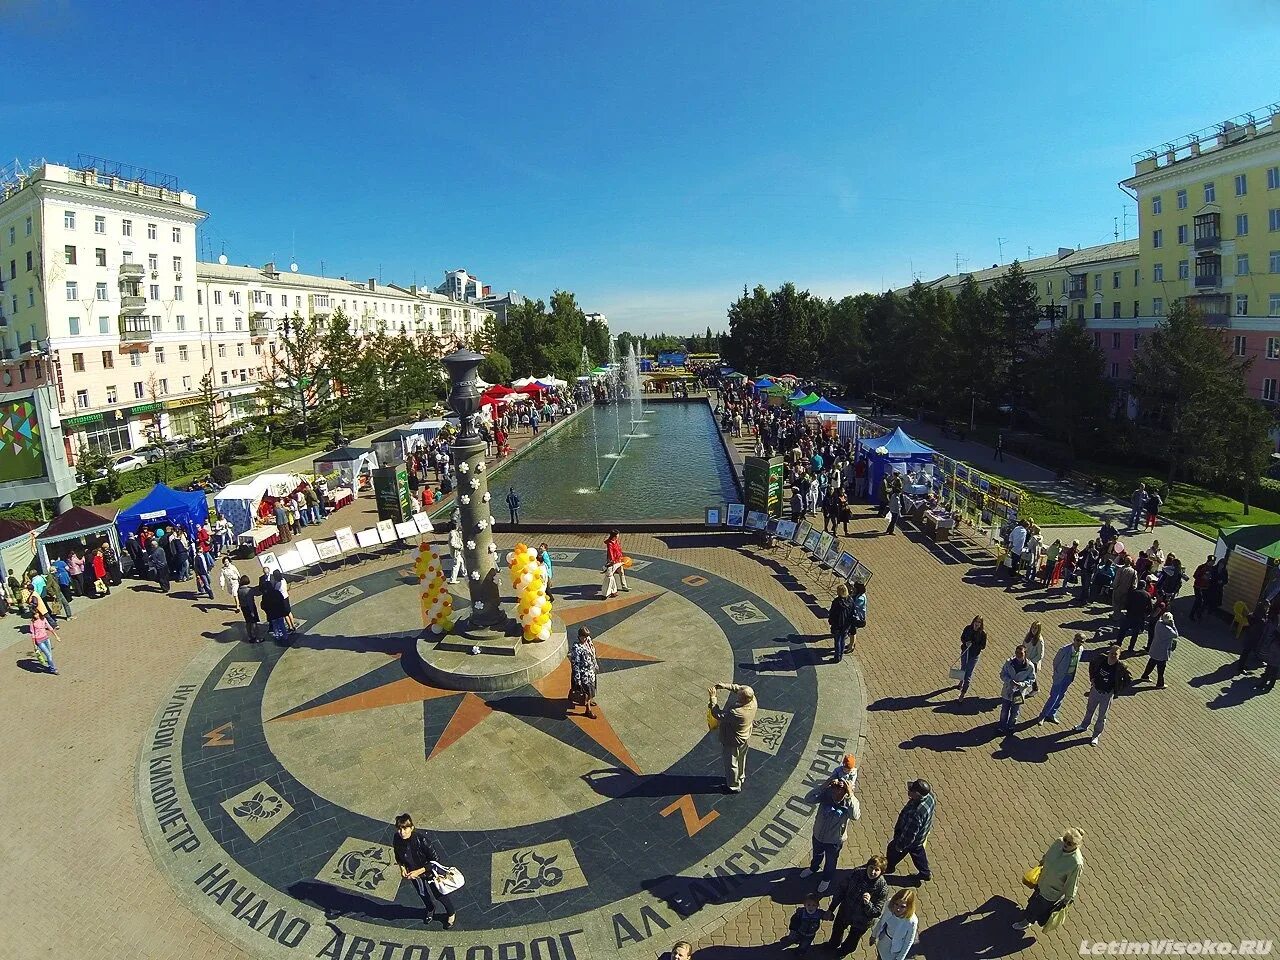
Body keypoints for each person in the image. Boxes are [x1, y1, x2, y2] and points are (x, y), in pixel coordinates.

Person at [392, 814, 456, 929]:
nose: (402, 832)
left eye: (405, 828)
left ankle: (451, 913)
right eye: (399, 829)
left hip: (429, 872)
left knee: (439, 894)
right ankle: (430, 909)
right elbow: (398, 856)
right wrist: (402, 868)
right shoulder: (397, 839)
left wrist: (419, 871)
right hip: (414, 874)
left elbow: (435, 861)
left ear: (411, 828)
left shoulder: (422, 840)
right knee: (422, 893)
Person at [1015, 829, 1084, 934]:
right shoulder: (1058, 842)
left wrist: (1068, 899)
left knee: (1037, 907)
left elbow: (1072, 883)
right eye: (1065, 839)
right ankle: (1031, 914)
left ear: (1077, 845)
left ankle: (1027, 921)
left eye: (1070, 843)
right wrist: (1042, 862)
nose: (1065, 843)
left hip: (1052, 891)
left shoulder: (1076, 863)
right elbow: (1048, 854)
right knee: (1034, 899)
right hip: (1042, 880)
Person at [801, 777, 858, 892]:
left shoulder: (849, 802)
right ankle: (813, 868)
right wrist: (823, 786)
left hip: (834, 841)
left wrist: (851, 795)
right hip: (818, 835)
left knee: (831, 861)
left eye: (841, 789)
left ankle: (826, 879)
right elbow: (808, 799)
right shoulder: (826, 795)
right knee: (817, 854)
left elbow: (855, 816)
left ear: (846, 791)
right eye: (835, 787)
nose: (837, 791)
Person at [828, 856, 889, 957]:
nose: (873, 872)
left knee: (852, 940)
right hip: (846, 911)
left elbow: (877, 912)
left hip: (862, 921)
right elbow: (841, 890)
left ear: (882, 872)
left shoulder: (882, 888)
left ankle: (843, 952)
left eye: (877, 870)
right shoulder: (856, 873)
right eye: (871, 867)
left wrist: (868, 903)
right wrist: (831, 909)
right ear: (867, 866)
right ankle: (833, 944)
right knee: (837, 929)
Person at [1074, 644, 1131, 746]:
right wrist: (1092, 678)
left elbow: (1128, 680)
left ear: (1119, 656)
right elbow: (1092, 664)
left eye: (1115, 654)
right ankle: (1084, 725)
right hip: (1095, 690)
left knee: (1102, 716)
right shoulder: (1101, 659)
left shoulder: (1121, 667)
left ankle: (1095, 735)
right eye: (1112, 653)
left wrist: (1117, 690)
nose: (1113, 656)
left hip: (1107, 694)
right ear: (1108, 653)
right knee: (1089, 709)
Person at [708, 682, 756, 793]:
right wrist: (725, 686)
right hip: (745, 736)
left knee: (731, 763)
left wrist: (713, 698)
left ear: (742, 699)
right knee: (741, 758)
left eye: (739, 695)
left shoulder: (737, 712)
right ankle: (741, 777)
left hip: (733, 740)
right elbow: (738, 688)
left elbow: (717, 714)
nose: (737, 694)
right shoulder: (752, 700)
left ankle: (733, 786)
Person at [885, 779, 934, 882]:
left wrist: (899, 846)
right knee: (918, 855)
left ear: (917, 794)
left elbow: (909, 834)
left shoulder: (916, 813)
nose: (908, 791)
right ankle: (925, 873)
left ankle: (889, 867)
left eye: (911, 791)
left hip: (911, 839)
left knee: (892, 849)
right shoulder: (930, 797)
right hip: (921, 835)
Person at [1038, 633, 1086, 725]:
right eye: (1078, 640)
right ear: (1074, 639)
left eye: (1081, 641)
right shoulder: (1064, 650)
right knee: (1054, 697)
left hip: (1069, 676)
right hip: (1060, 676)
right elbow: (1055, 662)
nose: (1079, 643)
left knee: (1061, 696)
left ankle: (1052, 714)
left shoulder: (1081, 649)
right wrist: (1056, 674)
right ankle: (1042, 716)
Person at [870, 888, 919, 960]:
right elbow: (881, 922)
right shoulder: (889, 906)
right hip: (883, 942)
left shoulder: (911, 921)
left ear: (908, 907)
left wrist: (900, 958)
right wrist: (873, 935)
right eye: (896, 904)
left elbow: (908, 942)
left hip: (894, 951)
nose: (898, 909)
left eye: (903, 907)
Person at [998, 644, 1036, 733]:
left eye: (1021, 653)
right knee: (1004, 711)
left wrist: (1021, 684)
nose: (1018, 654)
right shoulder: (1009, 662)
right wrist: (1009, 681)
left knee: (1015, 711)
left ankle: (1011, 726)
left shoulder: (1030, 667)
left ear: (1025, 654)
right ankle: (1001, 727)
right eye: (1017, 652)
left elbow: (1032, 679)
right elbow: (1002, 674)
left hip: (1019, 693)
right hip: (1007, 692)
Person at [1139, 610, 1177, 689]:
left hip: (1155, 648)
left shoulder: (1158, 623)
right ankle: (1160, 683)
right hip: (1162, 652)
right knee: (1161, 668)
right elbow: (1176, 634)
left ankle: (1145, 675)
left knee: (1151, 662)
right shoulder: (1168, 630)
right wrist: (1173, 624)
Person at [569, 627, 599, 719]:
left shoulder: (588, 641)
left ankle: (590, 699)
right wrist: (577, 679)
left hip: (591, 672)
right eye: (583, 637)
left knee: (592, 688)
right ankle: (588, 710)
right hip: (584, 675)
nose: (585, 639)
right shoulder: (576, 647)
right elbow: (575, 664)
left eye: (586, 636)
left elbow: (593, 653)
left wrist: (595, 664)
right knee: (586, 692)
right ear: (579, 636)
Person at [957, 616, 987, 699]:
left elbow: (983, 646)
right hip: (965, 652)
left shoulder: (982, 634)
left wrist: (973, 644)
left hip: (974, 655)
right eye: (976, 621)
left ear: (981, 624)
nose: (977, 624)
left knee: (968, 674)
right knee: (963, 668)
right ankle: (960, 681)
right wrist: (966, 643)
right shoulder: (968, 628)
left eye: (979, 622)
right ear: (973, 621)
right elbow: (962, 638)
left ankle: (963, 693)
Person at [1122, 581, 1154, 653]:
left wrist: (1127, 609)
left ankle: (1118, 643)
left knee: (1123, 630)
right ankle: (1130, 648)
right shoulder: (1147, 595)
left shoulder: (1132, 592)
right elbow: (1150, 608)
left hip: (1129, 615)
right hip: (1139, 617)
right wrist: (1145, 614)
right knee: (1135, 634)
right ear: (1144, 586)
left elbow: (1126, 603)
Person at [828, 584, 854, 663]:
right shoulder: (850, 600)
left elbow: (832, 613)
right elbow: (852, 612)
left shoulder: (836, 602)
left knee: (837, 641)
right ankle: (840, 656)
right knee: (842, 640)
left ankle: (837, 657)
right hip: (846, 625)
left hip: (837, 624)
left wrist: (831, 621)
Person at [30, 610, 60, 675]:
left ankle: (50, 665)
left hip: (46, 638)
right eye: (35, 615)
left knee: (50, 654)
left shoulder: (43, 619)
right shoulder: (33, 623)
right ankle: (53, 669)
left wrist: (56, 636)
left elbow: (49, 627)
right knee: (48, 655)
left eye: (37, 614)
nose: (36, 616)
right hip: (39, 641)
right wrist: (34, 645)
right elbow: (33, 634)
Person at [601, 529, 628, 598]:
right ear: (614, 536)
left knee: (621, 572)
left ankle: (623, 586)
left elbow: (618, 549)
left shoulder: (615, 541)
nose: (619, 536)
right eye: (617, 535)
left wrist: (620, 557)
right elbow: (611, 553)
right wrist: (613, 561)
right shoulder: (610, 544)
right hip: (613, 562)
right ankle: (611, 592)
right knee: (610, 576)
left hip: (618, 560)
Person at [1189, 554, 1215, 621]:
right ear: (1208, 561)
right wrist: (1202, 577)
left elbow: (1212, 578)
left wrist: (1210, 579)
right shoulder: (1201, 567)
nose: (1212, 563)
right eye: (1211, 562)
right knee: (1198, 600)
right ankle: (1192, 614)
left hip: (1205, 588)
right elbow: (1195, 576)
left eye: (1213, 562)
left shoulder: (1212, 569)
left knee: (1205, 602)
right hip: (1198, 586)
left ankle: (1199, 613)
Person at [236, 575, 261, 643]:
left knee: (248, 622)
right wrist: (252, 611)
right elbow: (251, 600)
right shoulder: (248, 590)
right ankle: (257, 638)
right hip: (250, 607)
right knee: (254, 623)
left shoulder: (239, 590)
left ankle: (250, 637)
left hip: (244, 608)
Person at [1023, 622, 1045, 693]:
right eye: (1033, 627)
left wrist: (1031, 661)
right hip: (1025, 659)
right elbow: (1024, 644)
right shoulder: (1029, 635)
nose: (1033, 629)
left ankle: (1035, 689)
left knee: (1032, 675)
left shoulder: (1039, 640)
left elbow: (1040, 655)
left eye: (1036, 628)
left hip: (1033, 662)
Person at [447, 517, 466, 584]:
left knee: (461, 562)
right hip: (456, 552)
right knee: (456, 565)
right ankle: (453, 579)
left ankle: (465, 573)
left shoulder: (454, 532)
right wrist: (459, 547)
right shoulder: (453, 533)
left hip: (457, 552)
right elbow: (452, 543)